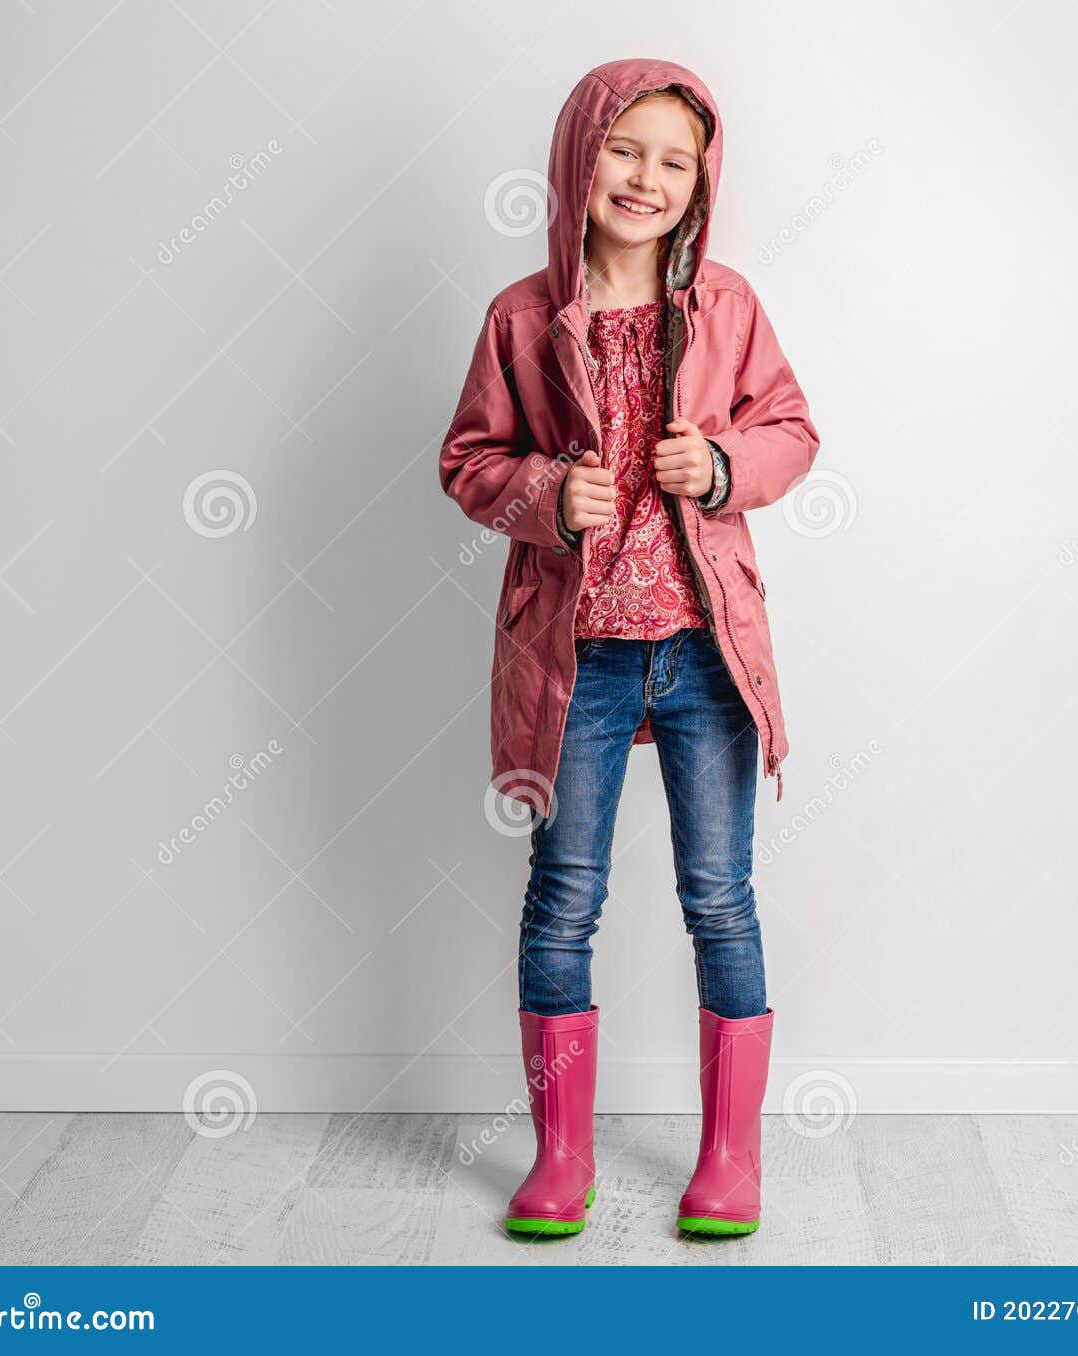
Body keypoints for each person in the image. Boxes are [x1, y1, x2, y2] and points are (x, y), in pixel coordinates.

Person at [439, 57, 820, 1238]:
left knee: (721, 897)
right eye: (624, 151)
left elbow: (792, 429)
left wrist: (716, 467)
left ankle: (730, 1161)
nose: (647, 178)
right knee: (562, 899)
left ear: (701, 178)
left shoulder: (729, 308)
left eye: (674, 159)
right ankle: (561, 1162)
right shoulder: (517, 315)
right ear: (577, 158)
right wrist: (548, 493)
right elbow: (467, 461)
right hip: (577, 661)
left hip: (704, 651)